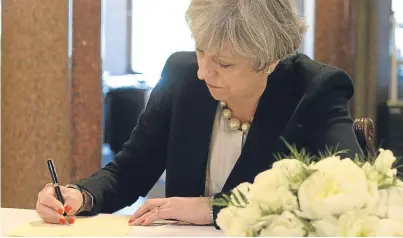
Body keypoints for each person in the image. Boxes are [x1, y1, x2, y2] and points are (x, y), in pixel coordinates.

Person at [36, 0, 363, 228]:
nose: (204, 72)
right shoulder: (181, 75)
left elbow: (350, 191)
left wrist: (216, 208)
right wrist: (80, 195)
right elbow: (130, 170)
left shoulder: (315, 89)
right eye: (200, 50)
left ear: (271, 61)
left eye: (224, 63)